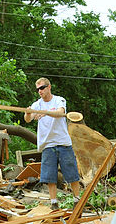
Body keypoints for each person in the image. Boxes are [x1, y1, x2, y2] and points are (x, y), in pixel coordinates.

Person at [24, 77, 81, 209]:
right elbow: (28, 119)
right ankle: (54, 203)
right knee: (50, 177)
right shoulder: (37, 104)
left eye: (42, 88)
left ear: (49, 87)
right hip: (48, 145)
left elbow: (60, 113)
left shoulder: (59, 100)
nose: (40, 91)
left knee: (72, 174)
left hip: (63, 143)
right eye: (38, 89)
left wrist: (44, 113)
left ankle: (77, 200)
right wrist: (28, 113)